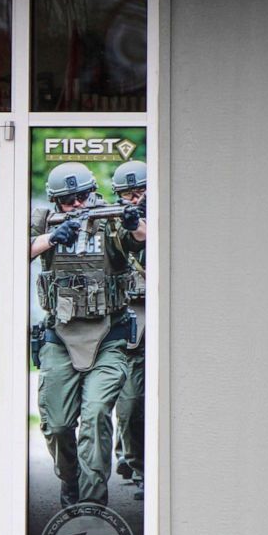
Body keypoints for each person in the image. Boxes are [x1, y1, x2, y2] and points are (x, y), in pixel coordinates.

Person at [30, 161, 146, 506]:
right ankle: (69, 480)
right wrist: (53, 237)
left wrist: (134, 221)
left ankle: (92, 505)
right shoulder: (43, 221)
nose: (78, 205)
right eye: (69, 201)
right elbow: (6, 251)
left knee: (96, 415)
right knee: (58, 425)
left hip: (108, 334)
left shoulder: (110, 219)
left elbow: (145, 239)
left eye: (83, 197)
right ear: (56, 202)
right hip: (60, 336)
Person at [110, 160, 148, 500]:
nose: (135, 199)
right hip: (136, 316)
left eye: (141, 192)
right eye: (128, 194)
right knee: (132, 400)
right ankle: (137, 466)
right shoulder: (117, 224)